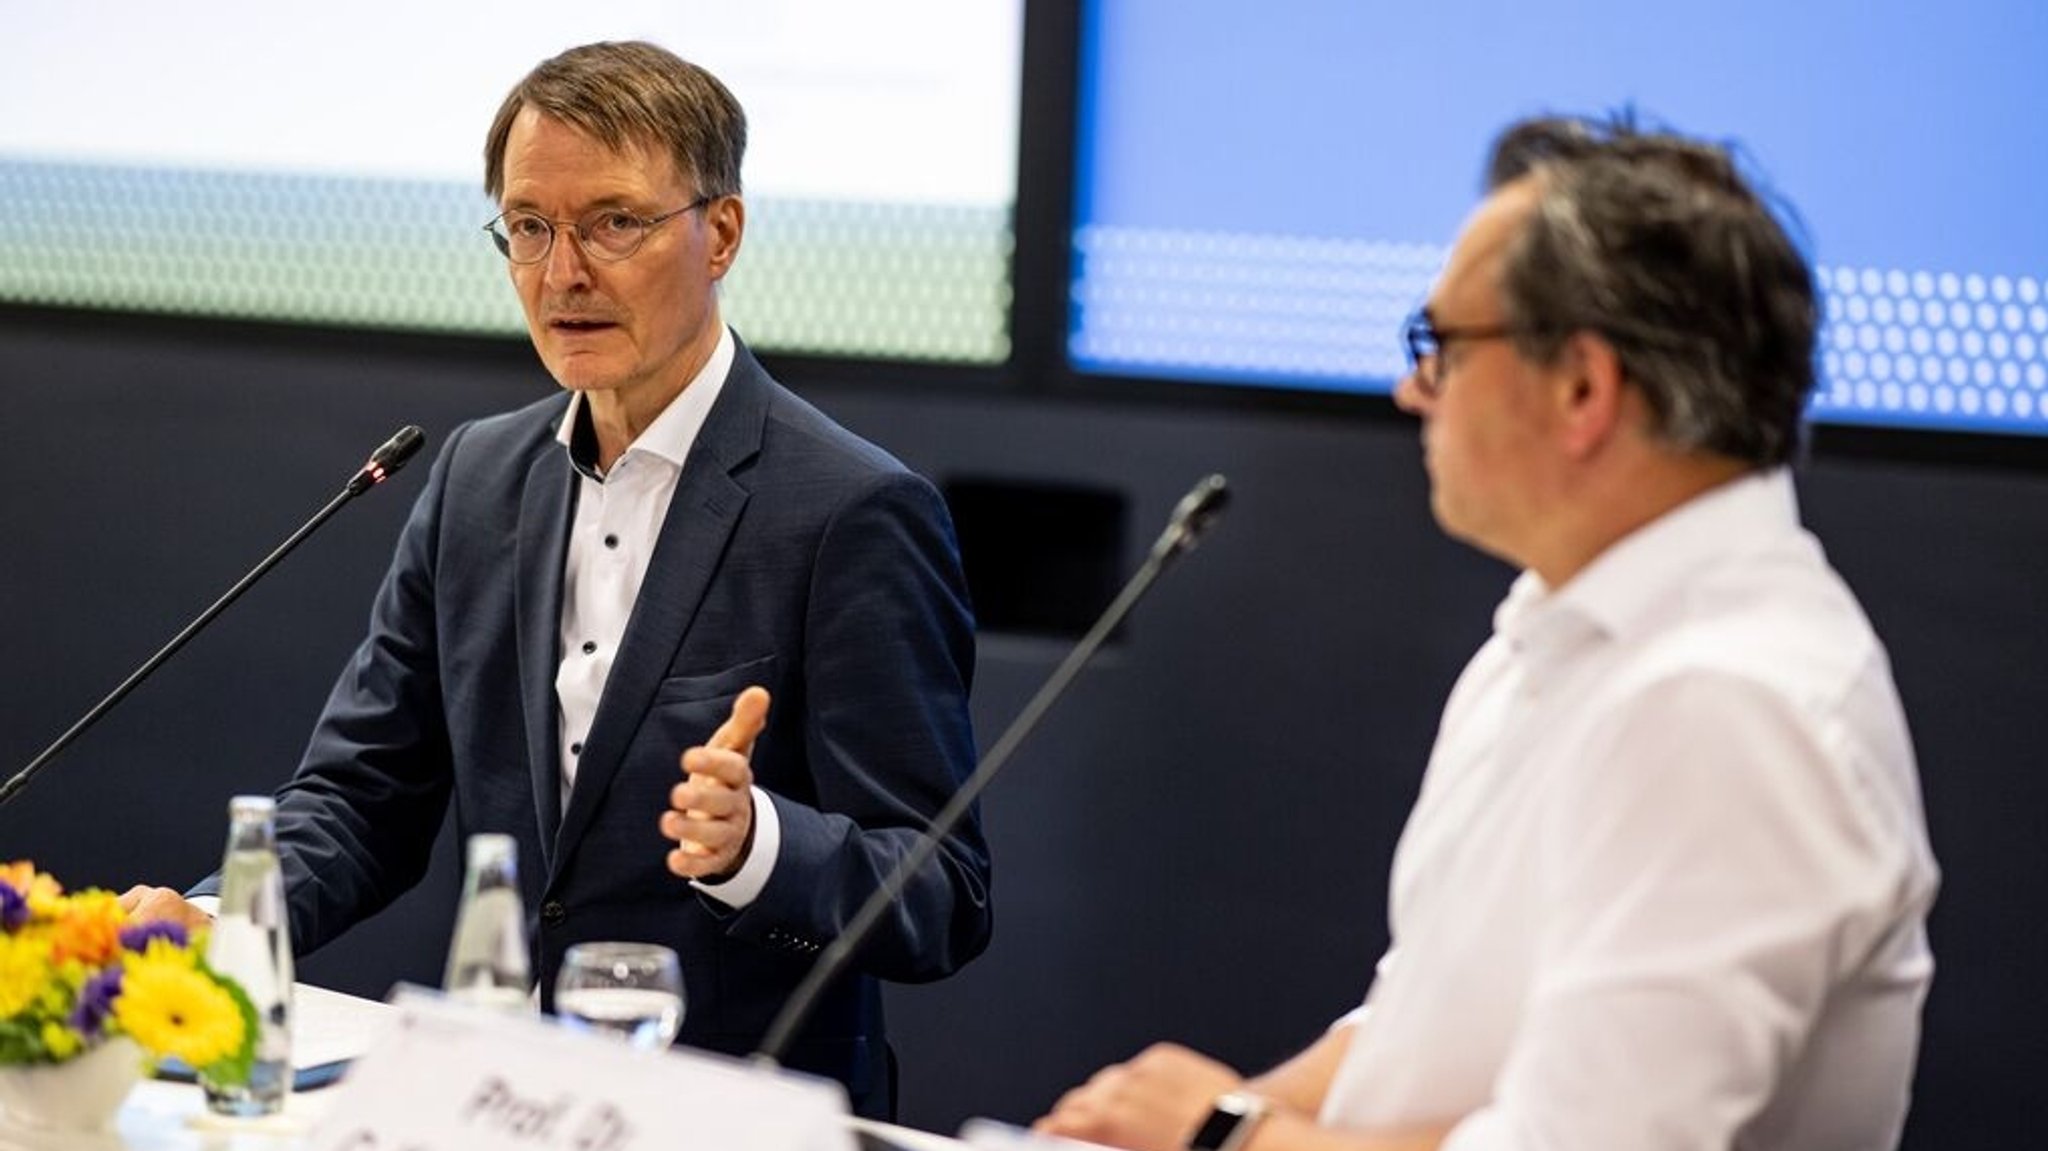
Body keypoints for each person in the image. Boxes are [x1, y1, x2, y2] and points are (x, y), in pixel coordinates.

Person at [118, 40, 991, 1118]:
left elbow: (942, 891)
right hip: (504, 1098)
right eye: (528, 226)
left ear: (719, 233)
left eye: (614, 223)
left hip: (731, 1112)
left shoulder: (849, 509)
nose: (562, 272)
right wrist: (215, 929)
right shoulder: (479, 478)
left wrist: (756, 840)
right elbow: (360, 797)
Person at [1035, 116, 1938, 1150]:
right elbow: (1425, 1021)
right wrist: (1140, 1131)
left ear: (1582, 388)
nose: (1409, 389)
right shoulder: (1554, 636)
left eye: (1440, 347)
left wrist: (1221, 1132)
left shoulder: (1729, 702)